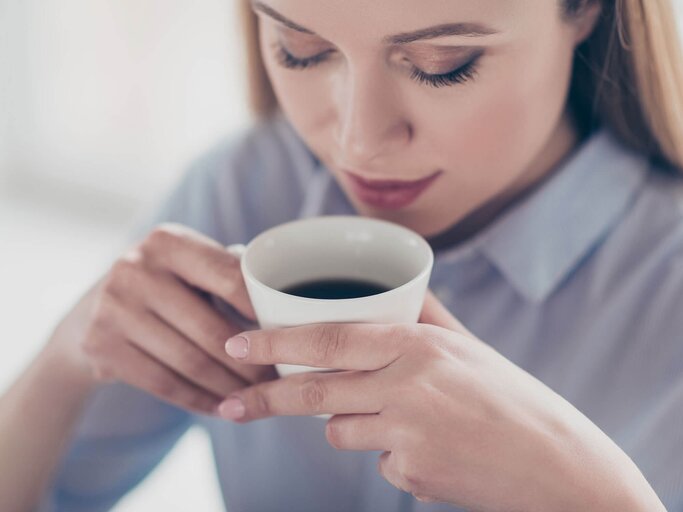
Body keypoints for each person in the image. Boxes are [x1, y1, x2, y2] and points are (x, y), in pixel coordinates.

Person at [1, 0, 682, 510]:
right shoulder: (245, 192)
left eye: (443, 65)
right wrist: (67, 357)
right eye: (300, 50)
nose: (359, 143)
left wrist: (591, 496)